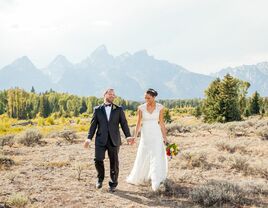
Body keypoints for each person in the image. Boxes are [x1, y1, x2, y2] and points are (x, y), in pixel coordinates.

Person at [84, 88, 134, 192]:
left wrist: (128, 136)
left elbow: (124, 124)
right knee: (98, 160)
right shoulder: (97, 109)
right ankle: (100, 178)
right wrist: (89, 138)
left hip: (114, 140)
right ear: (105, 95)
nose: (112, 96)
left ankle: (113, 183)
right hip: (100, 140)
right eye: (110, 94)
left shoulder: (119, 109)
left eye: (113, 95)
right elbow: (93, 125)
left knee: (114, 162)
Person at [126, 88, 168, 191]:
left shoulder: (160, 107)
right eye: (145, 97)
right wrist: (135, 136)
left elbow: (161, 123)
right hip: (145, 134)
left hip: (156, 134)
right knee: (143, 153)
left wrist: (165, 137)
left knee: (156, 155)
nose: (146, 99)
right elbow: (138, 123)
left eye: (148, 98)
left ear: (154, 97)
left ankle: (156, 180)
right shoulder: (141, 108)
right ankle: (139, 176)